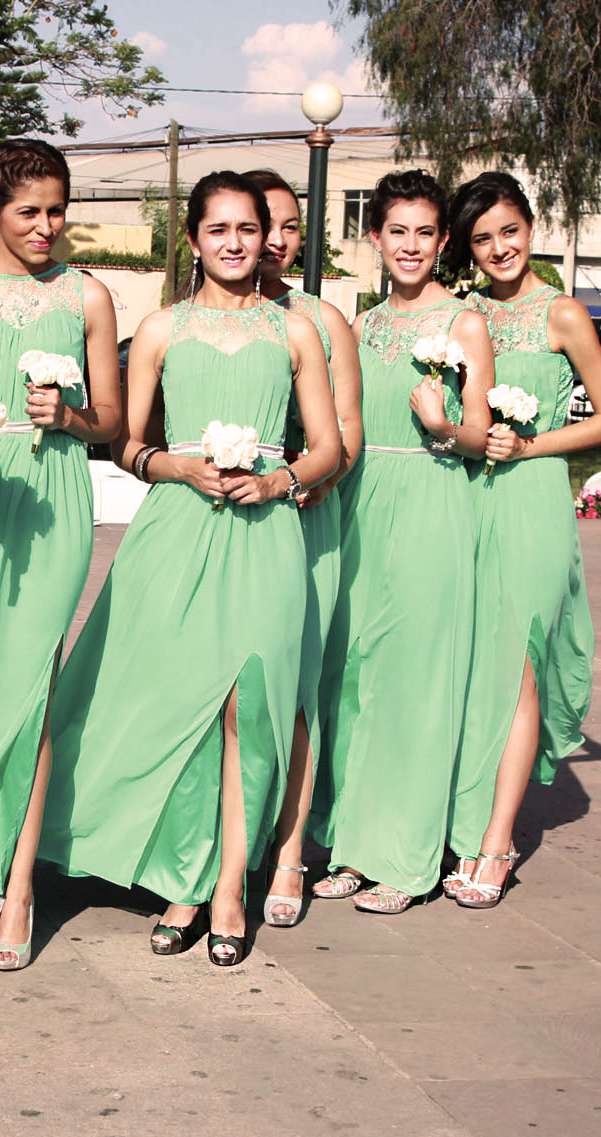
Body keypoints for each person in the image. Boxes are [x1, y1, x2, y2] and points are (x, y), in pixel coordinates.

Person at [41, 171, 340, 963]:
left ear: (265, 236)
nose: (235, 243)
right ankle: (185, 879)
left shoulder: (295, 330)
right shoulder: (161, 328)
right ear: (193, 238)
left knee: (252, 707)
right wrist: (175, 467)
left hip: (267, 532)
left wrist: (279, 480)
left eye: (249, 228)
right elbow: (125, 442)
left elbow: (329, 447)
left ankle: (230, 886)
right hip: (177, 529)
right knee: (186, 705)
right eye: (218, 229)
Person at [0, 139, 122, 971]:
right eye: (28, 212)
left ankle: (13, 885)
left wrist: (69, 416)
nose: (46, 227)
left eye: (56, 212)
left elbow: (113, 420)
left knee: (30, 688)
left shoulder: (88, 294)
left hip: (53, 498)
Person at [312, 169, 495, 914]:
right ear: (376, 238)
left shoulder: (466, 324)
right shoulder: (362, 325)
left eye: (425, 232)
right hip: (363, 503)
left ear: (444, 240)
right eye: (398, 231)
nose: (411, 245)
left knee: (416, 681)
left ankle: (407, 859)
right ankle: (351, 845)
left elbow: (481, 437)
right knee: (354, 675)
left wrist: (442, 424)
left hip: (430, 497)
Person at [443, 172, 601, 907]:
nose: (499, 248)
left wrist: (533, 443)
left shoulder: (564, 312)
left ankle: (496, 842)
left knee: (518, 664)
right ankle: (455, 821)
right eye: (482, 238)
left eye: (509, 231)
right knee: (469, 666)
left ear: (531, 227)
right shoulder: (460, 315)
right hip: (466, 500)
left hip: (533, 501)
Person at [243, 168, 364, 929]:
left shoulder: (322, 320)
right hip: (222, 520)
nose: (279, 240)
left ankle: (288, 850)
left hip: (303, 513)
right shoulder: (194, 316)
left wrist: (312, 476)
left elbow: (347, 434)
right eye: (267, 224)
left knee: (294, 685)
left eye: (292, 226)